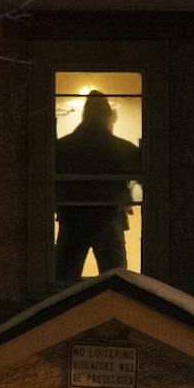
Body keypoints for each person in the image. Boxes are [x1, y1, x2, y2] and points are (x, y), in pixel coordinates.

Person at [52, 88, 141, 279]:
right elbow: (145, 176)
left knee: (63, 279)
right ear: (108, 116)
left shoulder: (62, 148)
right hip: (108, 218)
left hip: (71, 219)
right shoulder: (122, 148)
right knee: (115, 281)